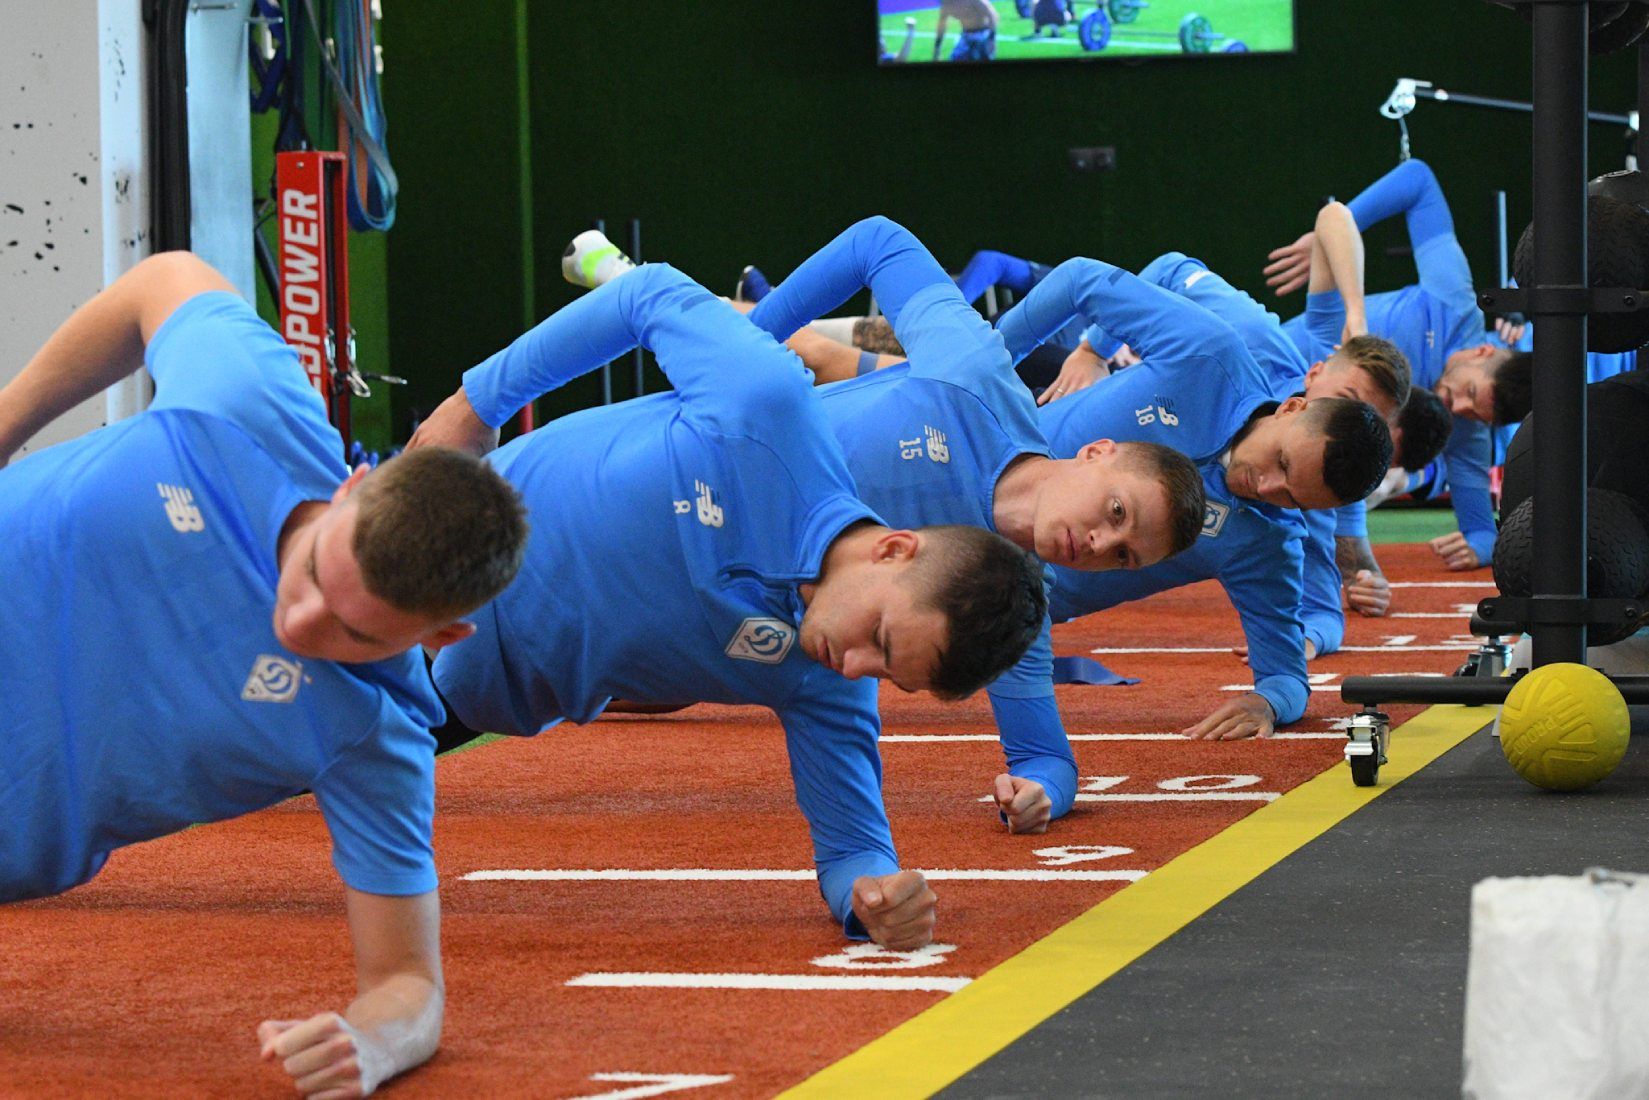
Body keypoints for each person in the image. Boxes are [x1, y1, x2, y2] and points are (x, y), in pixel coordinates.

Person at [0, 252, 531, 1099]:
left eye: (354, 630)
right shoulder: (249, 402)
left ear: (443, 635)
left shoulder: (373, 731)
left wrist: (373, 1042)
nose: (300, 622)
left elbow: (410, 988)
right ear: (355, 486)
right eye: (317, 573)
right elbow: (159, 281)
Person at [407, 262, 1047, 948]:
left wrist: (872, 901)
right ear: (893, 550)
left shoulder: (827, 685)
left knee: (275, 765)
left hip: (443, 697)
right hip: (425, 542)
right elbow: (644, 292)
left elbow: (851, 853)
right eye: (881, 639)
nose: (856, 666)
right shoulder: (768, 406)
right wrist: (471, 410)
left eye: (890, 676)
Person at [739, 217, 1207, 832]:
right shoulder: (978, 377)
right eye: (1117, 513)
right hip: (675, 485)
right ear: (1096, 452)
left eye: (1122, 557)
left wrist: (1041, 792)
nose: (1099, 544)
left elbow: (1045, 757)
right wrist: (744, 348)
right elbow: (877, 241)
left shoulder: (998, 600)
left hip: (719, 608)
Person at [994, 256, 1393, 739]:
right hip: (949, 479)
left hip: (986, 604)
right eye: (1282, 463)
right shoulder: (1210, 354)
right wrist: (993, 359)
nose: (1265, 488)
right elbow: (1082, 280)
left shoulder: (1267, 541)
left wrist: (1267, 702)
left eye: (1292, 498)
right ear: (1291, 407)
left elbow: (1287, 677)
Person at [1265, 158, 1534, 571]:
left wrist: (1481, 547)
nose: (1458, 409)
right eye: (1471, 393)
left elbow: (1480, 527)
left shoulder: (1463, 428)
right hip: (1270, 369)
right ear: (1483, 352)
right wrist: (1333, 238)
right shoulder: (1454, 300)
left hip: (1292, 439)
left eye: (1474, 415)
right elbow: (1418, 179)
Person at [934, 0, 1000, 61]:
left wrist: (991, 39)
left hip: (983, 34)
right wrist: (937, 49)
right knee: (955, 59)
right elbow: (941, 26)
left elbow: (992, 15)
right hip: (966, 35)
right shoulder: (947, 5)